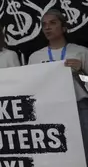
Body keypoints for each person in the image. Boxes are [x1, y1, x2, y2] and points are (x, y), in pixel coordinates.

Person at [28, 9, 88, 161]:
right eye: (44, 25)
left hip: (79, 107)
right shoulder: (35, 57)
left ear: (64, 27)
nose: (47, 27)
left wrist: (81, 71)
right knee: (55, 153)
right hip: (48, 110)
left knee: (84, 149)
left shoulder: (81, 52)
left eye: (53, 23)